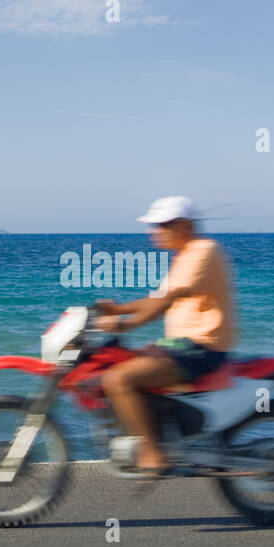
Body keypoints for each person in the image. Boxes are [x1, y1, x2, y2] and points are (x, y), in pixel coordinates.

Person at [92, 196, 236, 475]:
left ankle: (153, 453)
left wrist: (123, 325)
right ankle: (162, 436)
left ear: (183, 225)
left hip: (201, 348)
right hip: (180, 346)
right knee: (119, 361)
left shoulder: (203, 251)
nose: (154, 232)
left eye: (161, 225)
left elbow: (165, 301)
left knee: (118, 379)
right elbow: (155, 300)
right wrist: (117, 309)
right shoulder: (184, 257)